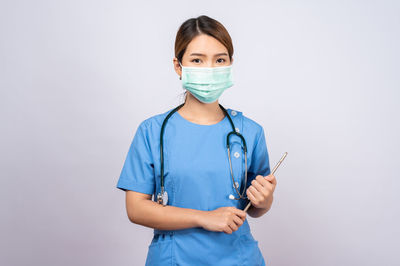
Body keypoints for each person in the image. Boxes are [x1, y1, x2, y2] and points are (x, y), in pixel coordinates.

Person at [116, 15, 277, 265]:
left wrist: (264, 201)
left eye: (219, 60)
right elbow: (136, 209)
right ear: (178, 66)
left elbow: (254, 207)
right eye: (197, 60)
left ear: (230, 64)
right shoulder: (152, 131)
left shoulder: (250, 132)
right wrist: (204, 217)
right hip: (175, 258)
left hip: (239, 257)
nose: (210, 69)